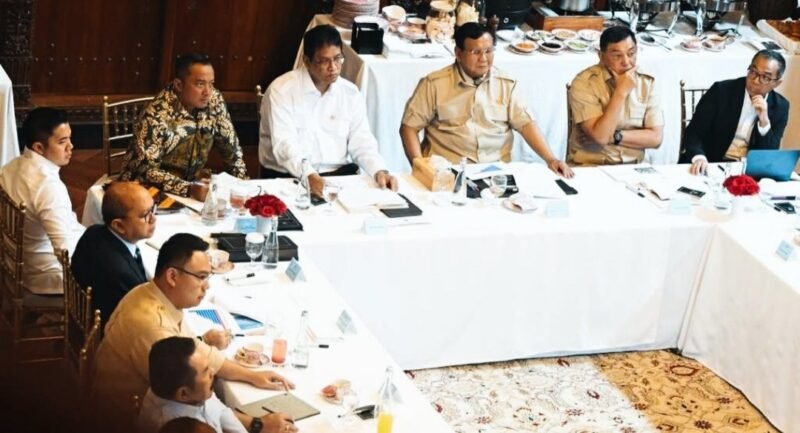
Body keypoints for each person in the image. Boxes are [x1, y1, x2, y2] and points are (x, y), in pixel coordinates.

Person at [92, 233, 293, 418]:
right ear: (172, 276)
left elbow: (199, 351)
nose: (207, 286)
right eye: (201, 277)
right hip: (124, 419)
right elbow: (193, 403)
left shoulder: (150, 292)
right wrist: (255, 424)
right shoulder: (152, 326)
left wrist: (251, 376)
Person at [400, 22, 572, 178]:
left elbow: (526, 124)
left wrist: (551, 159)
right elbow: (409, 128)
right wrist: (420, 167)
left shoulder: (506, 83)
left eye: (489, 51)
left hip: (496, 171)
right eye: (475, 52)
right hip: (448, 171)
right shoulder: (434, 84)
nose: (483, 59)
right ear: (458, 53)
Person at [260, 24, 398, 197]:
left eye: (338, 58)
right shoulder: (282, 91)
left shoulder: (350, 93)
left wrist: (379, 170)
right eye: (324, 61)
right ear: (307, 61)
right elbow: (285, 146)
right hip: (289, 176)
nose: (333, 67)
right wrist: (309, 175)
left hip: (339, 177)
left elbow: (361, 140)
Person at [119, 53, 248, 201]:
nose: (208, 92)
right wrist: (189, 189)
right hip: (144, 192)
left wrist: (244, 188)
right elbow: (145, 171)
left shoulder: (214, 100)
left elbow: (232, 151)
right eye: (200, 84)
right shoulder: (155, 114)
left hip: (193, 185)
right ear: (179, 85)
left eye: (211, 83)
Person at [0, 107, 85, 295]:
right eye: (62, 142)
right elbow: (65, 253)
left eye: (69, 138)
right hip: (44, 273)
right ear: (39, 147)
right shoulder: (48, 187)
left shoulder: (10, 167)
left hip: (14, 261)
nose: (71, 147)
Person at [138, 337, 297, 433]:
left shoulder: (191, 391)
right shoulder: (175, 426)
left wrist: (259, 425)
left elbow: (219, 411)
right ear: (183, 394)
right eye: (206, 371)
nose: (213, 372)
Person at [681, 50, 789, 175]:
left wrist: (764, 121)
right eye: (753, 71)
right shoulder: (721, 91)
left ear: (777, 83)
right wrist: (699, 157)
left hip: (747, 171)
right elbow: (693, 132)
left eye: (765, 77)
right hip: (710, 163)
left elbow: (768, 156)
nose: (755, 80)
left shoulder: (780, 107)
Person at [567, 26, 664, 166]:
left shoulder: (647, 82)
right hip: (591, 165)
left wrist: (614, 137)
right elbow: (600, 136)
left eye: (631, 53)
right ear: (601, 56)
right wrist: (621, 92)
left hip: (634, 166)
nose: (626, 62)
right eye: (617, 56)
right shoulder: (584, 83)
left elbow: (656, 138)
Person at [71, 182, 156, 323]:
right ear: (119, 225)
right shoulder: (122, 273)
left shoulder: (94, 231)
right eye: (145, 215)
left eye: (153, 209)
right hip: (110, 333)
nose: (153, 219)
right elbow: (144, 319)